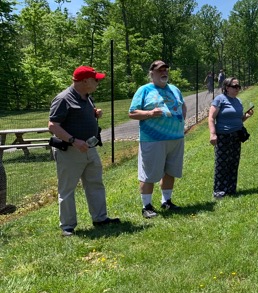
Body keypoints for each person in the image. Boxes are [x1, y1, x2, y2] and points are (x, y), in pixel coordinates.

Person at [48, 66, 120, 236]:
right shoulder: (63, 99)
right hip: (71, 151)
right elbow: (53, 126)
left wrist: (94, 113)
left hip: (90, 148)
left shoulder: (87, 97)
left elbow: (79, 115)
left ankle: (100, 218)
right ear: (85, 81)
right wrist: (73, 141)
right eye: (96, 80)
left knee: (95, 183)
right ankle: (67, 226)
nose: (98, 82)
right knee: (67, 189)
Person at [129, 60, 187, 218]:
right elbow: (132, 113)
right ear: (151, 73)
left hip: (175, 138)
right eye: (160, 70)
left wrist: (181, 123)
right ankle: (146, 206)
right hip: (153, 139)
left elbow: (182, 106)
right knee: (149, 173)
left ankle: (166, 201)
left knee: (170, 171)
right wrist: (149, 114)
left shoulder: (174, 89)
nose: (164, 72)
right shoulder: (144, 90)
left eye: (166, 70)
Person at [208, 77, 254, 199]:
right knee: (222, 163)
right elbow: (211, 117)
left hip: (236, 135)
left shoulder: (238, 101)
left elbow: (238, 119)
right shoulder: (219, 99)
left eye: (238, 86)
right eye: (234, 86)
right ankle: (219, 190)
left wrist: (246, 116)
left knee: (234, 162)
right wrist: (213, 134)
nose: (237, 88)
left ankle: (230, 188)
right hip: (223, 135)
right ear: (226, 87)